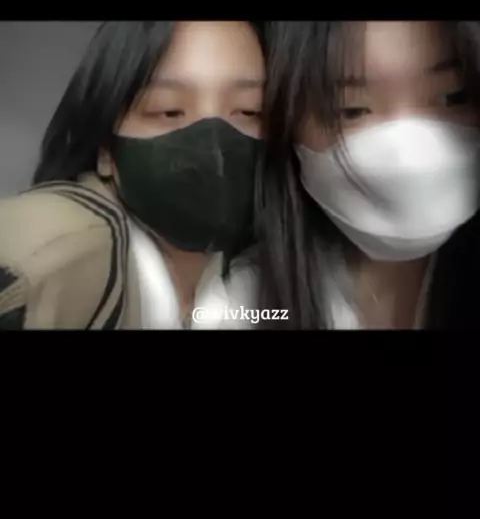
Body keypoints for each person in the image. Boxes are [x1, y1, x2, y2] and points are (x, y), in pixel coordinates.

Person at [0, 20, 264, 329]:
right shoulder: (50, 261)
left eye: (250, 111)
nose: (214, 148)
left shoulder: (259, 285)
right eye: (169, 110)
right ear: (106, 149)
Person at [258, 20, 480, 329]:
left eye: (453, 97)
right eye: (352, 110)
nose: (408, 159)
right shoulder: (235, 308)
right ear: (287, 126)